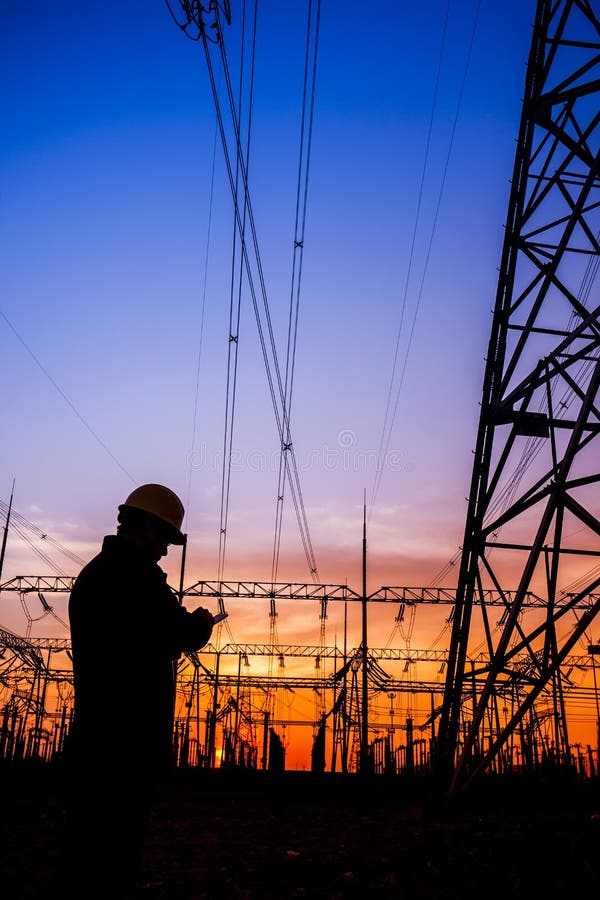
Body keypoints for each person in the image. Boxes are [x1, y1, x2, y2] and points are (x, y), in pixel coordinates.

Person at [61, 483, 215, 898]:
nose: (165, 550)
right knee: (116, 852)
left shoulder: (95, 575)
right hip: (126, 743)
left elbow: (142, 637)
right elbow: (175, 631)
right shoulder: (136, 577)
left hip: (96, 736)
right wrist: (200, 624)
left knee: (89, 851)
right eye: (165, 539)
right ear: (147, 528)